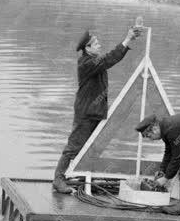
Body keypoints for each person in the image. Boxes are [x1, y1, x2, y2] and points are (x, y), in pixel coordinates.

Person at [52, 25, 142, 194]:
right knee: (74, 147)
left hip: (95, 112)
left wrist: (128, 40)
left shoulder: (93, 61)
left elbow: (108, 60)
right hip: (86, 113)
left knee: (90, 147)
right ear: (87, 48)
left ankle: (82, 176)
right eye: (95, 43)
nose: (99, 44)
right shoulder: (86, 63)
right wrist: (127, 40)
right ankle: (58, 179)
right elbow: (109, 59)